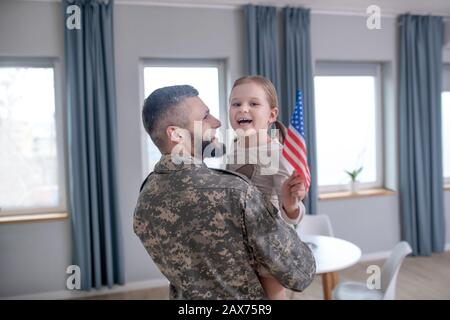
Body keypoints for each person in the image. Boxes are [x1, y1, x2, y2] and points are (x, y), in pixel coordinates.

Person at [133, 84, 315, 299]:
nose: (217, 122)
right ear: (176, 134)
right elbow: (301, 272)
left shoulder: (145, 199)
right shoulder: (235, 193)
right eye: (206, 116)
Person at [227, 75, 307, 300]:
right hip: (240, 245)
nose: (243, 109)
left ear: (272, 115)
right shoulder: (233, 150)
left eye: (253, 103)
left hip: (268, 244)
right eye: (236, 103)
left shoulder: (276, 153)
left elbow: (293, 214)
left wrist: (291, 204)